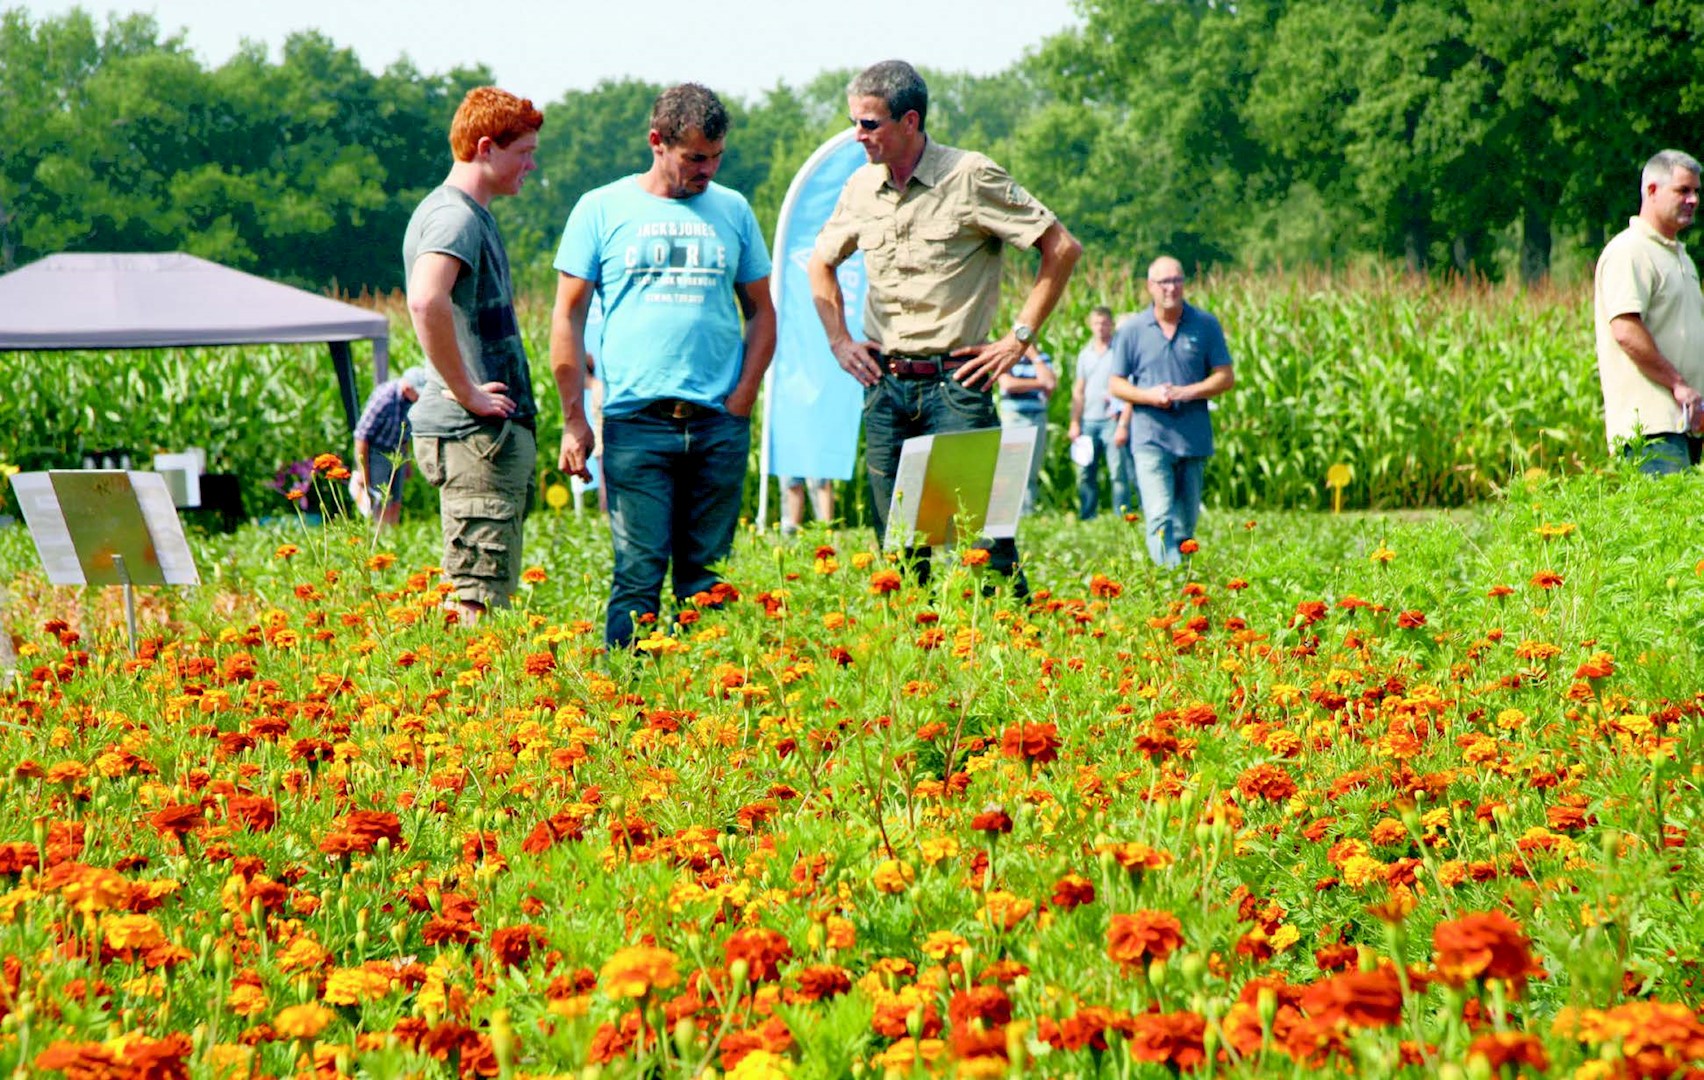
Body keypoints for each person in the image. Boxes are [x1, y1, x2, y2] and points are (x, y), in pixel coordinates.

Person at [807, 59, 1081, 593]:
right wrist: (839, 341)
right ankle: (918, 645)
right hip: (885, 386)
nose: (857, 135)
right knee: (898, 552)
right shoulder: (860, 188)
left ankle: (1011, 638)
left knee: (985, 545)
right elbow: (820, 263)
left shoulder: (970, 175)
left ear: (909, 121)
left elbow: (1061, 248)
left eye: (869, 123)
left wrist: (1018, 340)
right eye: (854, 122)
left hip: (957, 384)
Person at [550, 83, 775, 648]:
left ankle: (710, 688)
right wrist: (575, 419)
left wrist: (744, 396)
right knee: (638, 574)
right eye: (696, 157)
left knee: (709, 579)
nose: (709, 170)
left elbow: (763, 312)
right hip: (636, 423)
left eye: (717, 156)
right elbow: (568, 317)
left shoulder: (733, 210)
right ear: (657, 142)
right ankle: (629, 689)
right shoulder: (601, 209)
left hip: (717, 422)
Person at [404, 87, 548, 623]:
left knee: (481, 591)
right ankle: (472, 681)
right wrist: (466, 391)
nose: (531, 165)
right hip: (473, 439)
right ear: (486, 148)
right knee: (477, 598)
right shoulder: (455, 218)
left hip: (480, 439)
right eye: (524, 153)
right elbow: (425, 299)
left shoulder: (467, 214)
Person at [1109, 256, 1235, 568]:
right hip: (1150, 437)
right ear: (1150, 286)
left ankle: (1183, 576)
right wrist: (1148, 396)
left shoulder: (1205, 325)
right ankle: (1172, 578)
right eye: (1163, 282)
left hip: (1193, 437)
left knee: (1185, 523)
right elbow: (1116, 383)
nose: (1171, 288)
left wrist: (1186, 391)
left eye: (1176, 280)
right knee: (1159, 514)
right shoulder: (1133, 329)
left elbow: (1225, 376)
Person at [1595, 149, 1704, 474]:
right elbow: (1625, 329)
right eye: (1683, 190)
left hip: (1684, 425)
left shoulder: (1680, 258)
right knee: (1664, 508)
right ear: (1652, 190)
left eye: (1696, 191)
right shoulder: (1630, 251)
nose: (1693, 200)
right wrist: (1678, 385)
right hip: (1651, 429)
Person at [1068, 305, 1134, 520]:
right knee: (1085, 472)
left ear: (1111, 325)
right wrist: (1074, 422)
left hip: (1112, 420)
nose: (1100, 327)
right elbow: (1079, 390)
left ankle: (1121, 515)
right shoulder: (1084, 354)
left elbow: (1129, 385)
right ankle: (1088, 515)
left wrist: (1122, 417)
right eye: (1096, 323)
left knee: (1117, 472)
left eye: (1105, 323)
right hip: (1088, 420)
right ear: (1090, 325)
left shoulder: (1119, 352)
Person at [351, 365, 428, 527]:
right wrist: (363, 471)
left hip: (397, 451)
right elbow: (361, 436)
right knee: (379, 500)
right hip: (377, 452)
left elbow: (404, 435)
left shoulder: (410, 402)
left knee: (395, 500)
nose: (419, 398)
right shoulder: (384, 398)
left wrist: (407, 462)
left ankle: (392, 534)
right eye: (418, 393)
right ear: (408, 388)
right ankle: (378, 534)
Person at [996, 343, 1057, 513]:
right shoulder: (1007, 357)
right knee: (1012, 469)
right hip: (1014, 417)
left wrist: (1035, 357)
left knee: (1031, 469)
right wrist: (1038, 383)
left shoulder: (1042, 358)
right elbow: (1007, 384)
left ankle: (1027, 512)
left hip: (1037, 416)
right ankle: (1009, 513)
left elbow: (1050, 383)